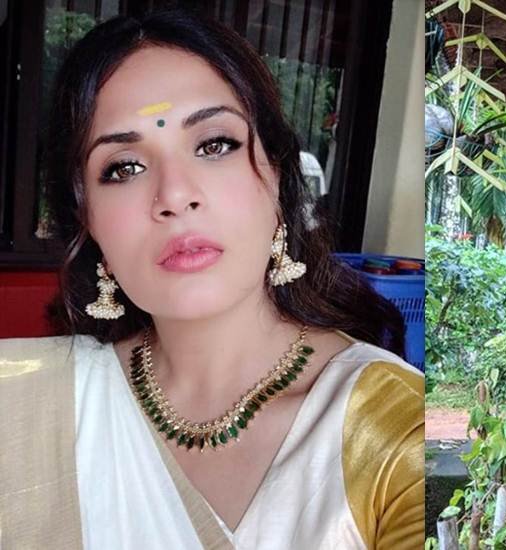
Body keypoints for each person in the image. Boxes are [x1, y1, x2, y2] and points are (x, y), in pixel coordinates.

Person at [0, 9, 424, 549]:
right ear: (88, 222)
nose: (175, 195)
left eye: (214, 144)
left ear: (276, 176)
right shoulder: (29, 404)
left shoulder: (394, 433)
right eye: (124, 167)